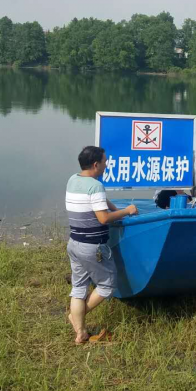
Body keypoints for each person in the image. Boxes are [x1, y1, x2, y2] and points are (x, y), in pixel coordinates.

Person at [66, 146, 138, 344]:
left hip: (74, 243)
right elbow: (103, 218)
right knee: (107, 285)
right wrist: (127, 211)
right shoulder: (96, 186)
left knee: (79, 287)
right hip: (92, 246)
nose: (107, 165)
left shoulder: (74, 179)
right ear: (96, 164)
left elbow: (99, 200)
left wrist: (115, 207)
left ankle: (80, 333)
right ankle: (76, 316)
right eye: (105, 162)